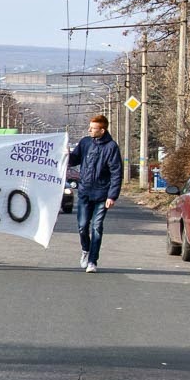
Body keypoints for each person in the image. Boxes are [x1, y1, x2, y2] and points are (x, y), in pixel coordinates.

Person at [68, 114, 123, 274]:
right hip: (85, 192)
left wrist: (112, 196)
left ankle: (92, 261)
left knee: (97, 227)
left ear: (102, 130)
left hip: (102, 194)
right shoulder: (85, 142)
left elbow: (116, 172)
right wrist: (65, 153)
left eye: (93, 128)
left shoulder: (111, 147)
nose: (89, 130)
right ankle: (85, 249)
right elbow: (74, 160)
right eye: (90, 127)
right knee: (82, 227)